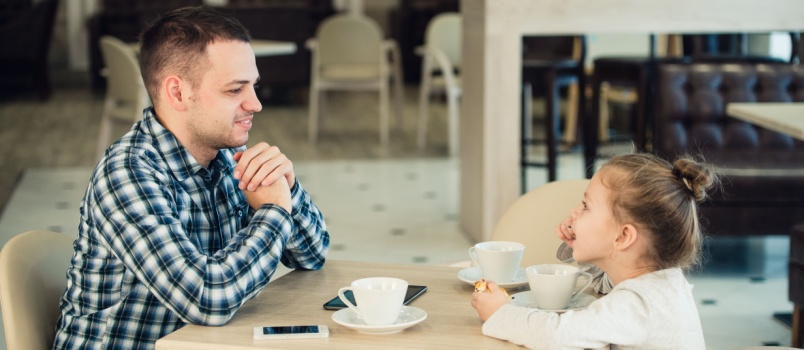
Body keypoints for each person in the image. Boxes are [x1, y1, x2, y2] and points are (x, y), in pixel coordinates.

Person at [53, 6, 329, 349]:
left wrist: (287, 188)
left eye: (253, 86)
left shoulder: (226, 155)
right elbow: (207, 300)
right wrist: (273, 212)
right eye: (235, 90)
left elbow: (313, 256)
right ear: (178, 93)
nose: (256, 104)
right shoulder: (128, 175)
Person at [471, 153, 717, 349]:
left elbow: (557, 335)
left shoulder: (639, 304)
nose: (575, 211)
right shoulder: (656, 283)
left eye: (586, 205)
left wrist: (501, 313)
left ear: (623, 237)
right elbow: (602, 282)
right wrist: (576, 242)